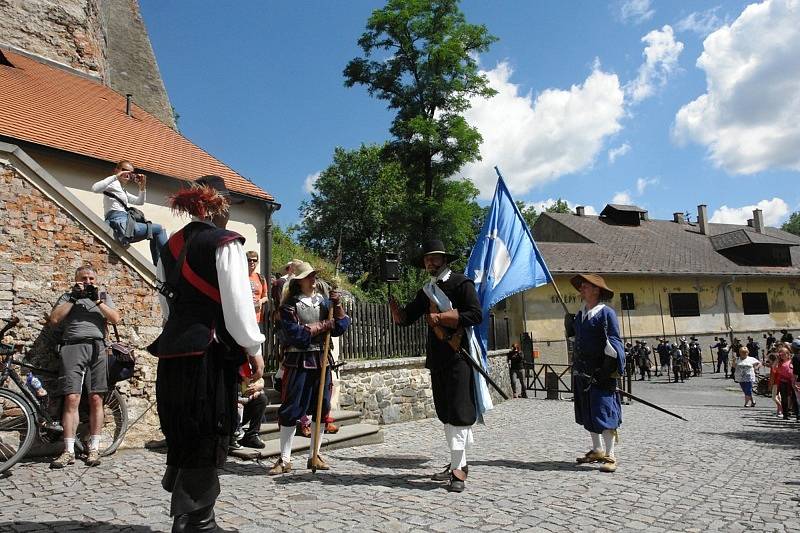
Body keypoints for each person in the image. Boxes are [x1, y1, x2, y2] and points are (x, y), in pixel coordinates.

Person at [148, 175, 265, 532]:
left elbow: (166, 304)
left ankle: (194, 514)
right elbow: (238, 302)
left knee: (184, 427)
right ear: (219, 207)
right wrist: (253, 347)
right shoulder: (224, 242)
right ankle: (197, 521)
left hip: (174, 350)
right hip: (208, 353)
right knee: (209, 427)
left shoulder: (169, 247)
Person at [390, 239, 484, 492]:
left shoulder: (461, 283)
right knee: (447, 413)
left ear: (444, 259)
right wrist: (398, 313)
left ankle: (458, 472)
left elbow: (476, 315)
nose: (430, 262)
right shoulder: (427, 290)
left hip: (459, 355)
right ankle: (458, 463)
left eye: (434, 258)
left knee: (459, 414)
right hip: (438, 358)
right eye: (426, 259)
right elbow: (408, 317)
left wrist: (442, 317)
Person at [268, 261, 350, 476]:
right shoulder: (289, 306)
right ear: (299, 281)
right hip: (298, 360)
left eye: (313, 275)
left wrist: (338, 306)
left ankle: (316, 454)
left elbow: (340, 327)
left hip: (322, 360)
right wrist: (324, 325)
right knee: (291, 408)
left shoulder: (324, 303)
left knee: (321, 408)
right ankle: (284, 458)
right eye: (308, 276)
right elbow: (297, 336)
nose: (313, 279)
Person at [48, 265, 121, 469]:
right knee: (71, 398)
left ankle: (94, 448)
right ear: (76, 280)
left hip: (98, 347)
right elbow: (54, 320)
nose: (88, 282)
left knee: (97, 397)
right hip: (73, 346)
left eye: (91, 278)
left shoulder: (102, 295)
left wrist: (97, 300)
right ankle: (68, 451)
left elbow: (115, 318)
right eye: (84, 279)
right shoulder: (67, 296)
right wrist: (73, 298)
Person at [566, 274, 625, 474]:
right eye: (581, 286)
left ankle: (610, 455)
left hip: (601, 373)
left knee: (604, 412)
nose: (581, 289)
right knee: (589, 413)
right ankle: (598, 450)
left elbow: (615, 341)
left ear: (596, 290)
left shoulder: (606, 313)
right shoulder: (580, 314)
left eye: (585, 286)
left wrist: (607, 369)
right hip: (582, 372)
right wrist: (571, 328)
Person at [91, 160, 168, 265]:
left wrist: (142, 187)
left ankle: (159, 266)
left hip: (125, 221)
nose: (127, 174)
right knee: (159, 229)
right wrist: (116, 176)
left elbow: (139, 202)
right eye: (124, 170)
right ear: (116, 170)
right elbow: (95, 188)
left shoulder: (122, 190)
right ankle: (166, 264)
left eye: (130, 172)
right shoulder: (112, 183)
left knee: (156, 231)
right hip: (119, 221)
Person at [775, 343, 798, 421]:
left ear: (788, 354)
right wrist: (777, 359)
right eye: (780, 354)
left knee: (794, 398)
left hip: (792, 381)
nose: (782, 356)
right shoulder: (779, 362)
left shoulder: (792, 361)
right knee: (784, 399)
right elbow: (774, 369)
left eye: (783, 354)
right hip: (783, 382)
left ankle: (797, 414)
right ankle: (785, 414)